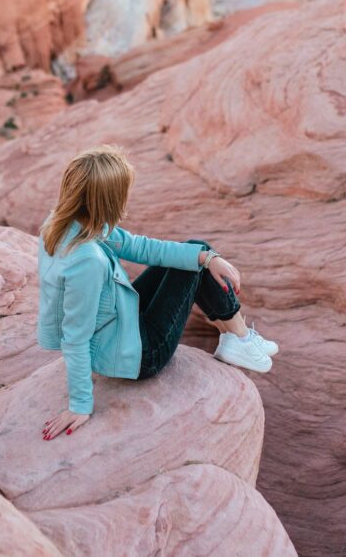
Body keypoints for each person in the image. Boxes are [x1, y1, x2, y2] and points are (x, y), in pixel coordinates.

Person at [37, 145, 278, 440]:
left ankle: (238, 337)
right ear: (109, 199)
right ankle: (239, 339)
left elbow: (140, 247)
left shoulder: (65, 223)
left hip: (119, 327)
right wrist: (80, 405)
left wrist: (208, 257)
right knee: (194, 266)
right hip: (141, 355)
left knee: (196, 251)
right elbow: (75, 335)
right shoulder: (87, 260)